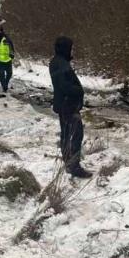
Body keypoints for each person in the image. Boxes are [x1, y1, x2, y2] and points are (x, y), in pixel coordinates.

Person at [49, 36, 92, 178]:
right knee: (75, 134)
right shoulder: (60, 64)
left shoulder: (59, 62)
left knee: (67, 134)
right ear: (65, 48)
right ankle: (73, 166)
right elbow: (64, 85)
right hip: (68, 105)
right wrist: (79, 90)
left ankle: (69, 162)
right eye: (71, 47)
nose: (73, 50)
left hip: (65, 104)